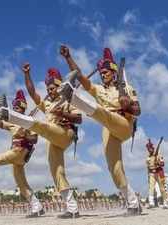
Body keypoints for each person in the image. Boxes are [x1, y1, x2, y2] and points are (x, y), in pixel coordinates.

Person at [59, 45, 142, 216]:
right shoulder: (99, 89)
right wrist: (68, 57)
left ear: (113, 72)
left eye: (105, 72)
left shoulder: (126, 87)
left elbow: (138, 110)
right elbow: (81, 77)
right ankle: (134, 203)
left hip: (124, 124)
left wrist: (128, 105)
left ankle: (72, 97)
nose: (102, 75)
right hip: (107, 127)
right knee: (115, 169)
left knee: (103, 113)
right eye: (101, 73)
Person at [0, 63, 83, 219]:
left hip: (65, 134)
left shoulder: (68, 99)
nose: (49, 92)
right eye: (48, 89)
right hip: (52, 138)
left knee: (39, 125)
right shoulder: (47, 104)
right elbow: (32, 92)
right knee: (57, 173)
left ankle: (7, 114)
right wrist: (27, 74)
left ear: (59, 86)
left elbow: (79, 119)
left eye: (52, 88)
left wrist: (63, 113)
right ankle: (72, 208)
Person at [146, 139, 168, 209]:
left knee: (162, 188)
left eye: (151, 148)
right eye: (149, 149)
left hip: (158, 172)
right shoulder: (148, 158)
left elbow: (163, 163)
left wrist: (158, 162)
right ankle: (151, 202)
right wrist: (148, 176)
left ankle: (165, 202)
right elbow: (148, 168)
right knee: (151, 188)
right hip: (152, 174)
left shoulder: (159, 155)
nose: (150, 150)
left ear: (153, 148)